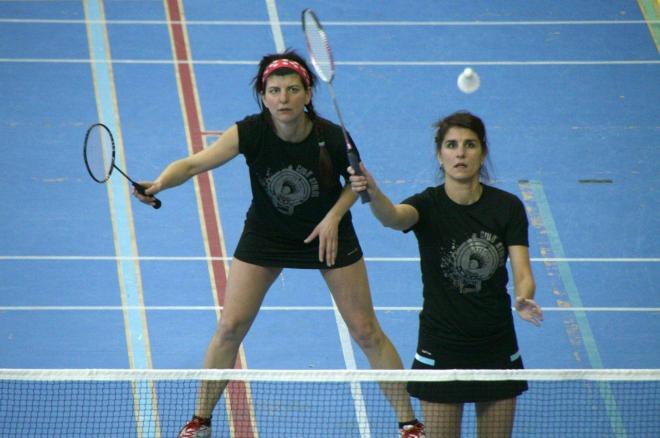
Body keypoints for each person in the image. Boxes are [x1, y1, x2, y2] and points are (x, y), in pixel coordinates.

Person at [133, 50, 424, 438]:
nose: (283, 98)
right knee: (231, 326)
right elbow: (192, 164)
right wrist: (158, 184)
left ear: (308, 94)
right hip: (267, 234)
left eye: (292, 89)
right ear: (263, 96)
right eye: (274, 91)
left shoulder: (333, 137)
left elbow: (357, 185)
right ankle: (199, 421)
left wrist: (334, 217)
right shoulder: (250, 132)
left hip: (327, 233)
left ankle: (409, 423)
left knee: (366, 330)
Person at [349, 111, 543, 438]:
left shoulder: (507, 207)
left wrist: (524, 296)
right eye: (451, 145)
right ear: (440, 155)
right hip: (441, 347)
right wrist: (374, 192)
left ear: (483, 153)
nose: (460, 153)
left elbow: (523, 271)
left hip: (495, 345)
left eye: (469, 145)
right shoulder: (427, 205)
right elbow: (393, 218)